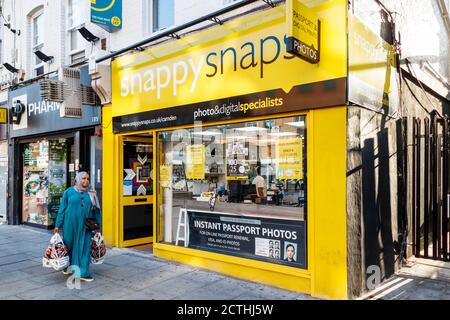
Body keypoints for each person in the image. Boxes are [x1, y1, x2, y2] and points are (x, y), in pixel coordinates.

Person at [54, 172, 101, 282]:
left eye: (87, 179)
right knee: (69, 245)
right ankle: (68, 267)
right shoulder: (68, 192)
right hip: (69, 224)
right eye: (83, 178)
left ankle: (83, 272)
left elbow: (97, 210)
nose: (86, 181)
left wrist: (99, 225)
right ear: (78, 179)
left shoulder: (92, 193)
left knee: (84, 247)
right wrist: (57, 225)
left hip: (86, 224)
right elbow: (62, 209)